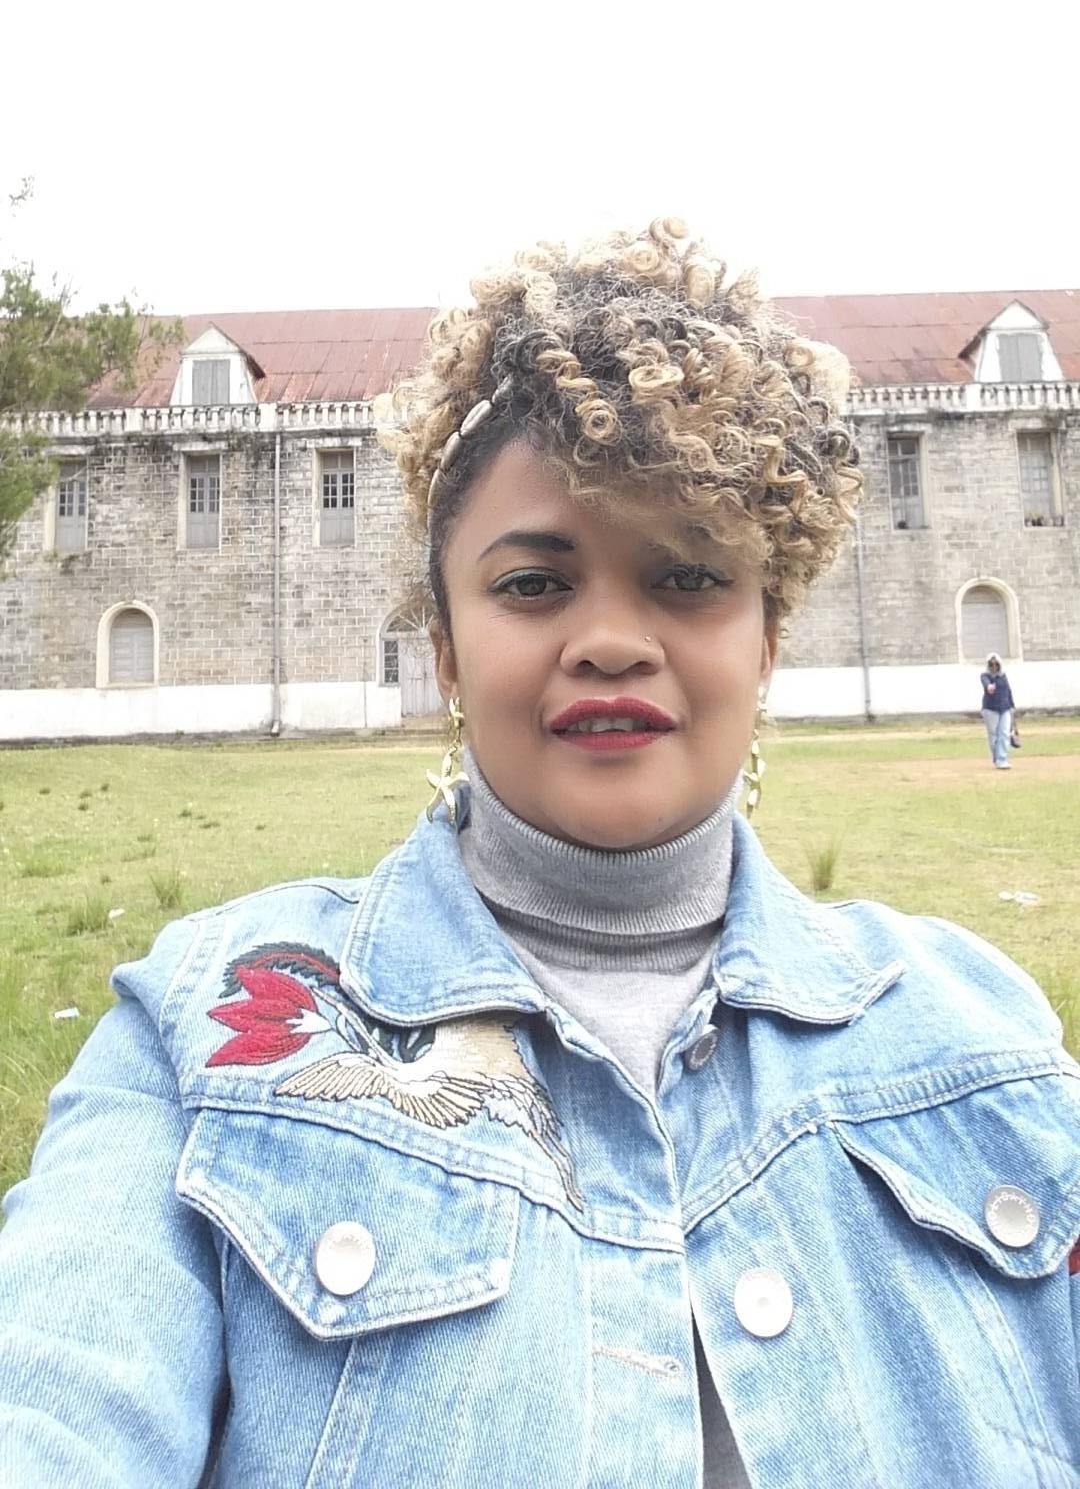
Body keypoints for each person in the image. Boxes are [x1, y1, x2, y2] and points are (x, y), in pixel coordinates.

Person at [1, 219, 1078, 1489]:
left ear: (768, 641)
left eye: (688, 577)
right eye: (531, 584)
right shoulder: (211, 1030)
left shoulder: (983, 1034)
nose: (612, 640)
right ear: (446, 649)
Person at [980, 651, 1018, 769]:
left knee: (1005, 733)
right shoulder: (985, 676)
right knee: (994, 735)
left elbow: (1008, 691)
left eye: (996, 664)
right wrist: (989, 687)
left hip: (1005, 708)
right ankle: (997, 758)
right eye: (991, 664)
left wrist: (1012, 706)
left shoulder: (1003, 676)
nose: (994, 667)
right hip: (990, 709)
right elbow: (986, 684)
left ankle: (1002, 759)